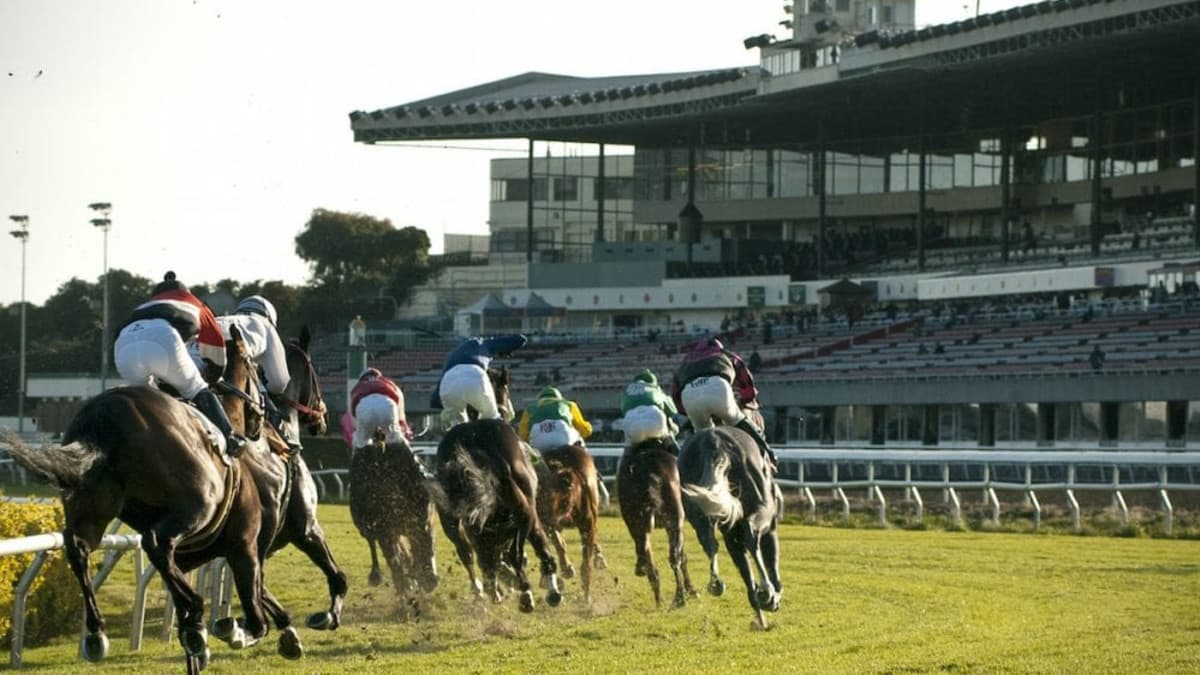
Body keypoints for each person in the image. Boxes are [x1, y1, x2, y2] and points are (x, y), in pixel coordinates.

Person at [113, 271, 245, 462]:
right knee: (196, 388)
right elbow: (216, 348)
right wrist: (212, 377)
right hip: (162, 337)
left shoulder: (142, 307)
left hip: (122, 344)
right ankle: (230, 438)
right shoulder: (196, 304)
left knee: (146, 403)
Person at [671, 337, 777, 469]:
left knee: (700, 436)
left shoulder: (685, 362)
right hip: (718, 388)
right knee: (737, 419)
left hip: (689, 395)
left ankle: (683, 468)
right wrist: (746, 399)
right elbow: (747, 382)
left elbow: (675, 395)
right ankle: (769, 454)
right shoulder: (725, 354)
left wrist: (687, 413)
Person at [221, 295, 300, 451]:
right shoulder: (266, 325)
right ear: (271, 318)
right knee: (261, 392)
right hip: (230, 371)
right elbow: (278, 383)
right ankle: (288, 444)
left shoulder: (223, 318)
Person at [430, 334, 527, 428]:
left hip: (447, 382)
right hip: (474, 375)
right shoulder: (481, 343)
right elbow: (521, 339)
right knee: (493, 420)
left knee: (458, 428)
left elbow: (434, 402)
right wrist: (505, 348)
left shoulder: (450, 358)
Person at [345, 367, 413, 448]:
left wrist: (364, 433)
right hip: (387, 406)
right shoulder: (390, 384)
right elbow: (401, 417)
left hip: (363, 408)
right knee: (397, 441)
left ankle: (359, 457)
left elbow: (354, 420)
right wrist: (406, 432)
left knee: (360, 444)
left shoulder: (356, 388)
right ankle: (411, 457)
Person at [616, 369, 679, 453]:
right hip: (655, 420)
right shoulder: (656, 389)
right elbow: (673, 412)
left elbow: (623, 411)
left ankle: (623, 464)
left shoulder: (626, 392)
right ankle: (682, 461)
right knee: (669, 438)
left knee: (627, 451)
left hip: (633, 422)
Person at [517, 386, 592, 453]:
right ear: (559, 398)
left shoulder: (530, 408)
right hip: (563, 435)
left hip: (539, 439)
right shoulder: (569, 404)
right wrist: (588, 428)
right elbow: (583, 428)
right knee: (579, 438)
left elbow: (522, 433)